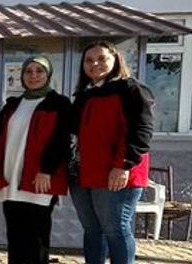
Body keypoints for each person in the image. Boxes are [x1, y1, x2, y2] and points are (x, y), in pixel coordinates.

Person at [0, 56, 72, 264]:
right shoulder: (12, 104)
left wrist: (46, 170)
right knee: (16, 237)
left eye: (39, 71)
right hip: (11, 179)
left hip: (39, 179)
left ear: (48, 75)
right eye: (28, 71)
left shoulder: (60, 104)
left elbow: (62, 141)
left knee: (37, 239)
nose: (33, 76)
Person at [68, 41, 154, 264]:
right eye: (89, 60)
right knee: (92, 230)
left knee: (116, 229)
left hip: (115, 173)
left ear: (115, 60)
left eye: (101, 58)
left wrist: (123, 165)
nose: (95, 63)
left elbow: (142, 131)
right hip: (84, 174)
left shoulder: (131, 89)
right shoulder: (84, 95)